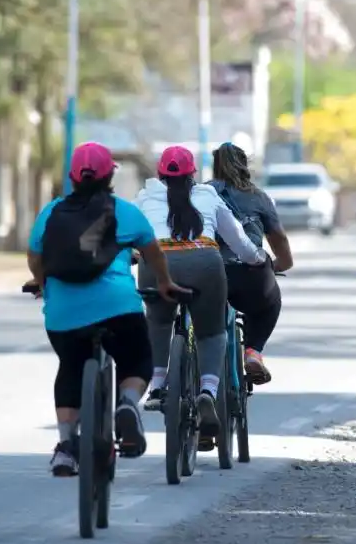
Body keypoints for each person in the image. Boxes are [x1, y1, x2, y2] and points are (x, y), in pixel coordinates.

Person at [27, 141, 188, 477]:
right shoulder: (123, 211)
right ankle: (127, 404)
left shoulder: (50, 212)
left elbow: (34, 256)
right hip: (117, 310)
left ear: (72, 176)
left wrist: (42, 283)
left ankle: (66, 447)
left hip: (62, 316)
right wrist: (163, 282)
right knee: (138, 359)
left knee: (70, 366)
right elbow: (153, 251)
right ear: (108, 177)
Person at [134, 145, 268, 432]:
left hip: (156, 265)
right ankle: (207, 390)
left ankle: (157, 385)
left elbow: (130, 236)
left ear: (159, 174)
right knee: (211, 332)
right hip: (204, 265)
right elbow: (238, 240)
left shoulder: (145, 198)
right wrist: (256, 259)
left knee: (157, 321)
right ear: (193, 174)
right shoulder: (208, 196)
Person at [207, 141, 294, 383]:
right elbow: (279, 239)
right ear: (245, 166)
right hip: (250, 273)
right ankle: (253, 351)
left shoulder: (201, 193)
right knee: (270, 303)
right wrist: (280, 265)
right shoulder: (259, 198)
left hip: (209, 271)